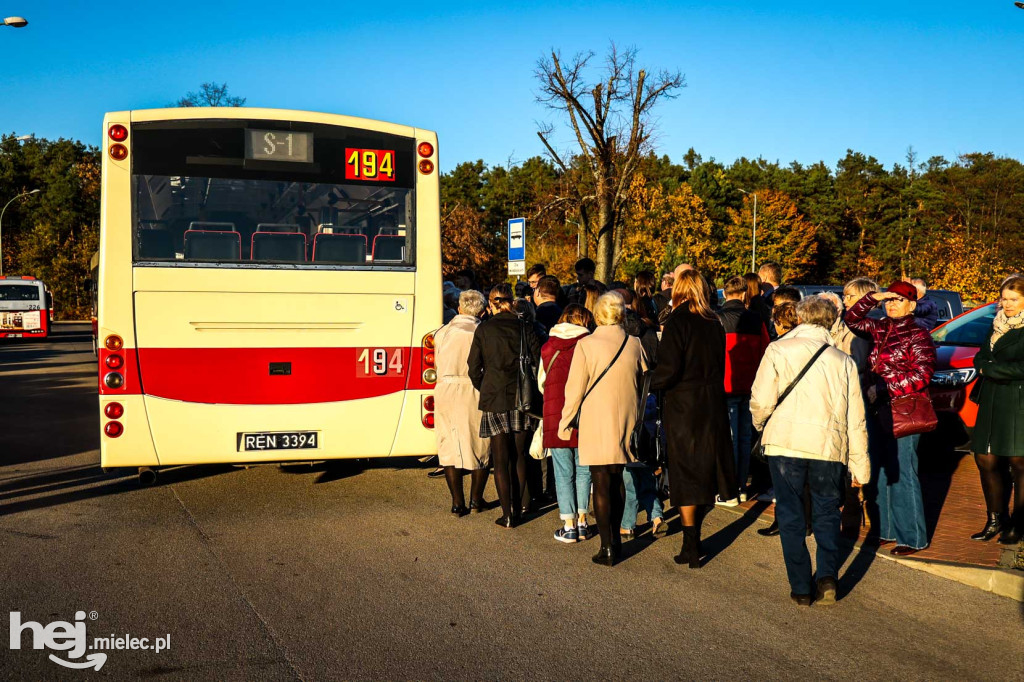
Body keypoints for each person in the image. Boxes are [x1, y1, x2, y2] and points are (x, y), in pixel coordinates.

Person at [749, 295, 870, 606]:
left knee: (790, 514)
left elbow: (761, 400)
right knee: (828, 512)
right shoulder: (842, 360)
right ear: (830, 322)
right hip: (828, 446)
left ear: (801, 318)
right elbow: (855, 416)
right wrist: (860, 463)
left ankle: (801, 586)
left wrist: (762, 423)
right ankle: (827, 574)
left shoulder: (777, 349)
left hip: (786, 442)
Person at [651, 270, 735, 569]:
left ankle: (691, 543)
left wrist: (649, 380)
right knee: (703, 468)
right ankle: (693, 538)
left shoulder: (678, 320)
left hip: (684, 404)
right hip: (711, 402)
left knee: (685, 471)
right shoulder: (715, 321)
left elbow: (669, 368)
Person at [846, 281, 936, 556]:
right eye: (890, 300)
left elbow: (923, 374)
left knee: (904, 473)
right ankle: (886, 531)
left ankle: (913, 537)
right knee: (882, 470)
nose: (892, 304)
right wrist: (875, 296)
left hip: (904, 409)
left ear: (912, 304)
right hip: (877, 407)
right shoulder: (881, 326)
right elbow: (851, 318)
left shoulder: (919, 334)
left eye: (899, 300)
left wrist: (884, 387)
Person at [559, 293, 648, 566]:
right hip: (626, 418)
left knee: (600, 482)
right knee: (617, 478)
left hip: (596, 417)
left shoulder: (586, 345)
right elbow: (645, 378)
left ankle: (607, 546)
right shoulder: (635, 343)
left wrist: (565, 421)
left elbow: (574, 389)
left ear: (598, 315)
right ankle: (617, 543)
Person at [467, 283, 543, 528]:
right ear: (511, 301)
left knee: (500, 459)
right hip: (522, 397)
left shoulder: (484, 329)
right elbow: (538, 360)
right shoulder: (525, 326)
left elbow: (473, 368)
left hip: (495, 397)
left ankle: (508, 514)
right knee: (519, 455)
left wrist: (485, 386)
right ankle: (522, 505)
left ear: (491, 303)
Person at [969, 274, 1024, 544]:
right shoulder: (996, 324)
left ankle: (1018, 522)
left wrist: (989, 368)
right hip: (990, 399)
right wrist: (984, 364)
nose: (1007, 304)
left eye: (1014, 299)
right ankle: (995, 518)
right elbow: (980, 355)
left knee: (1018, 462)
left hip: (1017, 401)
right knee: (985, 459)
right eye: (1004, 299)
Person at [538, 304, 595, 543]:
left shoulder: (548, 346)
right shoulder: (590, 345)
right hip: (585, 412)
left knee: (562, 472)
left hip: (555, 412)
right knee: (584, 470)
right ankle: (583, 521)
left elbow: (542, 382)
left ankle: (568, 524)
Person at [434, 290, 491, 515]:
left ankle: (457, 501)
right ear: (482, 310)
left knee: (448, 442)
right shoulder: (481, 331)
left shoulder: (443, 332)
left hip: (445, 387)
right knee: (479, 443)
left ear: (459, 307)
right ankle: (476, 499)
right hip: (472, 387)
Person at [716, 276, 770, 504]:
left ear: (725, 294)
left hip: (725, 384)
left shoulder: (718, 319)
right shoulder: (757, 320)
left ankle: (731, 488)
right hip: (750, 384)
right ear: (744, 294)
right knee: (745, 437)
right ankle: (741, 486)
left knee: (730, 438)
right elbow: (766, 351)